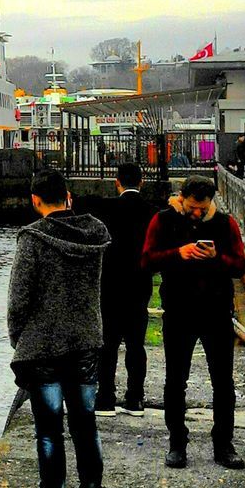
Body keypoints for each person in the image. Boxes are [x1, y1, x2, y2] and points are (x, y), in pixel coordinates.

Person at [6, 169, 111, 488]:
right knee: (85, 425)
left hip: (44, 348)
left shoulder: (33, 239)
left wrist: (20, 339)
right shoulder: (95, 233)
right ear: (68, 196)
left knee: (49, 431)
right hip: (85, 342)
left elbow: (19, 300)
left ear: (35, 201)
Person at [140, 176, 245, 469]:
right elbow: (147, 261)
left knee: (223, 383)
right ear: (182, 198)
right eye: (191, 207)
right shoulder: (163, 221)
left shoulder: (226, 224)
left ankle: (223, 444)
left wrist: (216, 258)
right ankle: (177, 443)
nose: (196, 213)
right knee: (175, 381)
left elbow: (239, 267)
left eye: (202, 208)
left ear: (211, 202)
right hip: (178, 311)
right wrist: (178, 254)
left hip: (217, 312)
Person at [97, 161, 154, 414]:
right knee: (135, 345)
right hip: (140, 284)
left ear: (116, 182)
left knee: (107, 345)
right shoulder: (153, 212)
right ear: (141, 182)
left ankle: (106, 398)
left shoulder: (105, 210)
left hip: (109, 285)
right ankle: (135, 398)